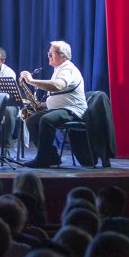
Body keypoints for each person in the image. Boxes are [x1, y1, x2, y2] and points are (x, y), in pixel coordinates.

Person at [20, 40, 88, 168]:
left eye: (52, 53)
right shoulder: (59, 69)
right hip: (61, 109)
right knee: (31, 120)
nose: (48, 56)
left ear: (63, 55)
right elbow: (61, 94)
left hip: (72, 111)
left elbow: (58, 86)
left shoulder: (68, 69)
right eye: (48, 53)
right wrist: (44, 105)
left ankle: (43, 158)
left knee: (46, 120)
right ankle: (51, 156)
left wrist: (31, 81)